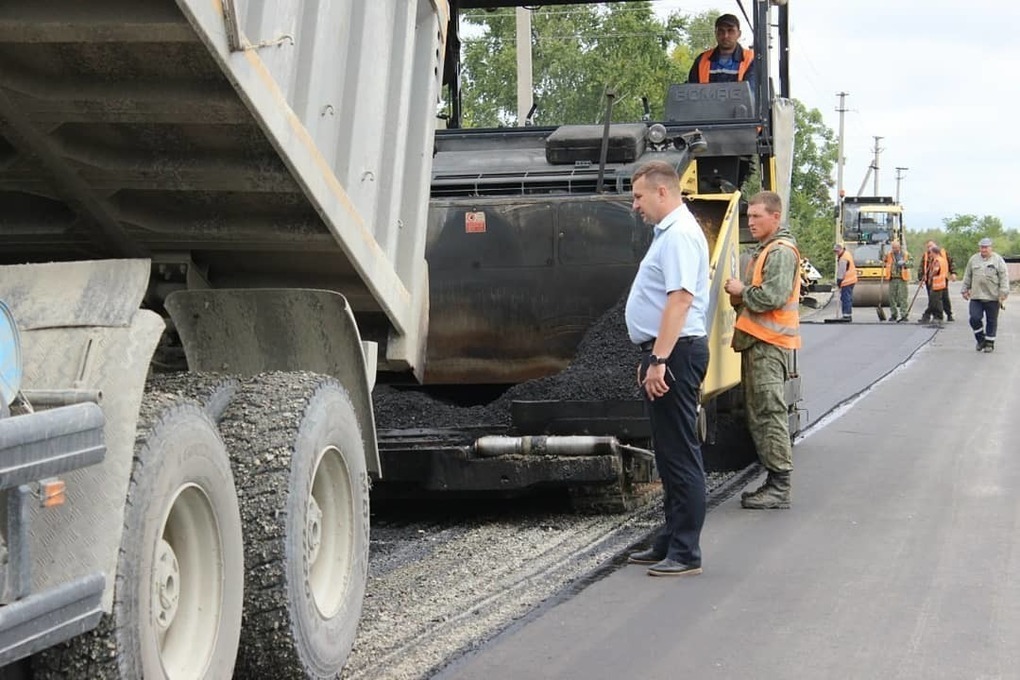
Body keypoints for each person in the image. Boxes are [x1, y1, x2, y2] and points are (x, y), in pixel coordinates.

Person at [623, 160, 710, 577]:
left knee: (679, 455)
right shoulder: (670, 234)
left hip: (675, 354)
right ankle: (670, 538)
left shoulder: (678, 236)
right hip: (667, 352)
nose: (635, 204)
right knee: (668, 451)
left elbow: (679, 300)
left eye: (639, 196)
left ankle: (686, 551)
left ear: (662, 192)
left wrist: (658, 359)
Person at [723, 191, 800, 509]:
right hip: (758, 344)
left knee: (769, 414)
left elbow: (773, 296)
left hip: (769, 345)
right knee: (760, 413)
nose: (750, 221)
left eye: (757, 216)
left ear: (775, 217)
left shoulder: (780, 252)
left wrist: (742, 291)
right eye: (749, 216)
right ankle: (773, 481)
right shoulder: (764, 251)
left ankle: (779, 486)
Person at [962, 237, 1010, 352]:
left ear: (990, 248)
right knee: (974, 318)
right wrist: (964, 289)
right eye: (981, 247)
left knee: (991, 321)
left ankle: (989, 343)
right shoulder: (973, 259)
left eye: (986, 247)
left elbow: (1004, 277)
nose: (983, 250)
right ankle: (981, 340)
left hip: (993, 296)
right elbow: (968, 275)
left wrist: (1003, 292)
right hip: (976, 296)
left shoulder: (998, 260)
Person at [687, 13, 756, 86]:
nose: (725, 36)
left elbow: (752, 93)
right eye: (721, 31)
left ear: (739, 34)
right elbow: (691, 91)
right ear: (715, 33)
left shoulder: (752, 59)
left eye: (730, 31)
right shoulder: (701, 60)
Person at [918, 243, 948, 326]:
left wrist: (930, 276)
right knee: (936, 302)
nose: (929, 254)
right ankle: (933, 316)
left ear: (934, 252)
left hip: (937, 284)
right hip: (941, 283)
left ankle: (931, 317)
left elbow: (936, 271)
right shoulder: (942, 259)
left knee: (934, 302)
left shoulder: (937, 260)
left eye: (930, 253)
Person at [883, 240, 911, 322]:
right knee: (892, 298)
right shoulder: (889, 255)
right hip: (892, 279)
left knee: (903, 298)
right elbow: (883, 260)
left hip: (902, 279)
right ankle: (894, 314)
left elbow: (912, 263)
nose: (894, 249)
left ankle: (904, 315)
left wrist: (904, 264)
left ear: (899, 247)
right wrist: (883, 252)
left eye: (895, 248)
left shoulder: (905, 254)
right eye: (893, 247)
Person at [834, 242, 857, 320]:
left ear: (841, 249)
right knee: (848, 297)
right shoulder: (847, 254)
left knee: (845, 298)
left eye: (837, 251)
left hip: (847, 281)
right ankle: (848, 314)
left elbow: (841, 272)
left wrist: (839, 281)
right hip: (852, 279)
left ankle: (846, 315)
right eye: (835, 251)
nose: (836, 253)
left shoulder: (843, 258)